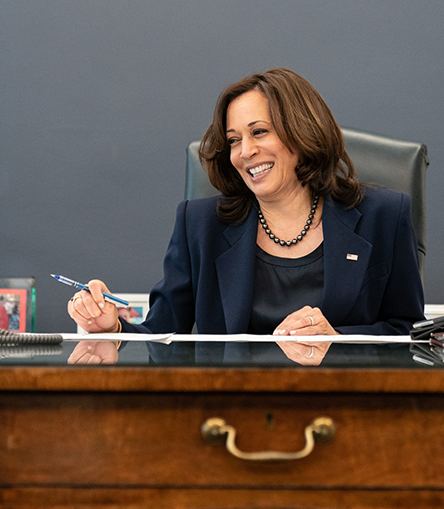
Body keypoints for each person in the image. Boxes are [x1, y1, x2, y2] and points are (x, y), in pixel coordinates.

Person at [67, 67, 425, 340]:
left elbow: (409, 333)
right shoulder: (200, 225)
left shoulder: (384, 216)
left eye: (259, 132)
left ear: (301, 134)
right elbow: (162, 339)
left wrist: (338, 341)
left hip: (344, 409)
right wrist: (110, 327)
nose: (245, 152)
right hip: (230, 411)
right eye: (234, 140)